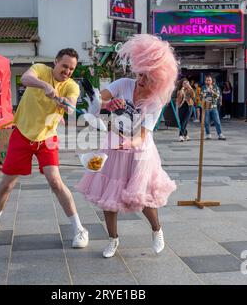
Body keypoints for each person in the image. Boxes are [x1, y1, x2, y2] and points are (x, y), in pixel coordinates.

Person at [76, 34, 178, 258]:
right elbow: (96, 104)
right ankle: (113, 239)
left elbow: (142, 135)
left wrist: (127, 142)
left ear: (159, 80)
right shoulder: (123, 84)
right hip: (113, 145)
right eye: (141, 74)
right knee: (107, 195)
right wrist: (104, 103)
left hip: (140, 151)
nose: (141, 81)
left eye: (148, 78)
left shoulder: (155, 101)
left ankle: (156, 229)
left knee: (143, 197)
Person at [0, 48, 89, 248]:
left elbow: (71, 104)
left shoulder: (71, 86)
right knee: (7, 183)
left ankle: (79, 229)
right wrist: (44, 86)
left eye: (71, 69)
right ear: (55, 62)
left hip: (47, 138)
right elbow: (25, 79)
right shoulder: (39, 69)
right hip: (21, 134)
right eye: (64, 66)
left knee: (55, 181)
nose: (67, 71)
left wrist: (64, 104)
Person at [201, 74, 226, 140]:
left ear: (211, 81)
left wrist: (212, 92)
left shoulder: (215, 87)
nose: (208, 81)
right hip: (206, 107)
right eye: (207, 80)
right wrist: (205, 94)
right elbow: (201, 96)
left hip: (214, 107)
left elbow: (217, 96)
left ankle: (220, 134)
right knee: (206, 121)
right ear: (205, 81)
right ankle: (208, 134)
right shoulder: (203, 87)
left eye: (209, 80)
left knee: (217, 121)